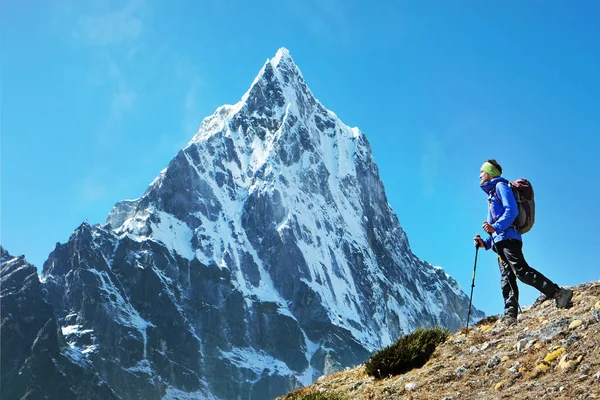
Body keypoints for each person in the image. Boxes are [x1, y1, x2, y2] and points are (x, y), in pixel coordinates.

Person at [473, 159, 573, 326]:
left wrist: (494, 226)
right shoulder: (492, 194)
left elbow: (511, 211)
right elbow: (495, 228)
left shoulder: (500, 187)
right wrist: (485, 243)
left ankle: (558, 292)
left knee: (521, 271)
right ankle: (510, 316)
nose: (480, 174)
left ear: (490, 172)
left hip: (509, 239)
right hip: (500, 242)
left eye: (482, 171)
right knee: (507, 279)